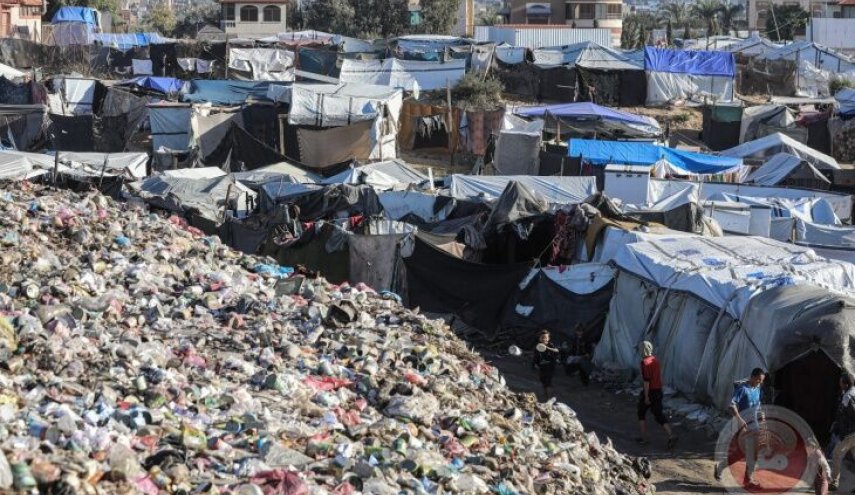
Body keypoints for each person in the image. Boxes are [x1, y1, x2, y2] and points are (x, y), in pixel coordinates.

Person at [714, 368, 766, 489]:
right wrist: (739, 419)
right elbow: (732, 406)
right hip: (742, 426)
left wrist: (761, 415)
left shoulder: (758, 389)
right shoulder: (742, 389)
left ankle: (747, 480)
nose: (760, 382)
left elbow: (758, 405)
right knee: (741, 453)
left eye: (762, 380)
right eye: (758, 379)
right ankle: (721, 467)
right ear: (752, 377)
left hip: (754, 425)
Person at [636, 341, 678, 448]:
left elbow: (646, 382)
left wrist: (646, 396)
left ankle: (644, 438)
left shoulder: (644, 363)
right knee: (658, 415)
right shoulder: (655, 360)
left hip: (650, 391)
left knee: (641, 413)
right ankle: (671, 435)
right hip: (658, 390)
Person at [828, 372, 855, 491]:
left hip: (850, 433)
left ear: (846, 384)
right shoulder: (852, 393)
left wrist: (842, 430)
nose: (839, 384)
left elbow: (845, 415)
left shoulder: (847, 397)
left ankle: (834, 482)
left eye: (841, 382)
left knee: (837, 454)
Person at [532, 330, 559, 400]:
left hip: (550, 366)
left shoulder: (550, 345)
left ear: (548, 338)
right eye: (542, 337)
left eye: (545, 337)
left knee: (548, 382)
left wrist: (547, 348)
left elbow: (557, 351)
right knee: (543, 381)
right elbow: (535, 357)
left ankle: (549, 398)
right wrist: (534, 365)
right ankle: (547, 396)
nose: (544, 339)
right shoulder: (537, 346)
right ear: (539, 338)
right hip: (542, 367)